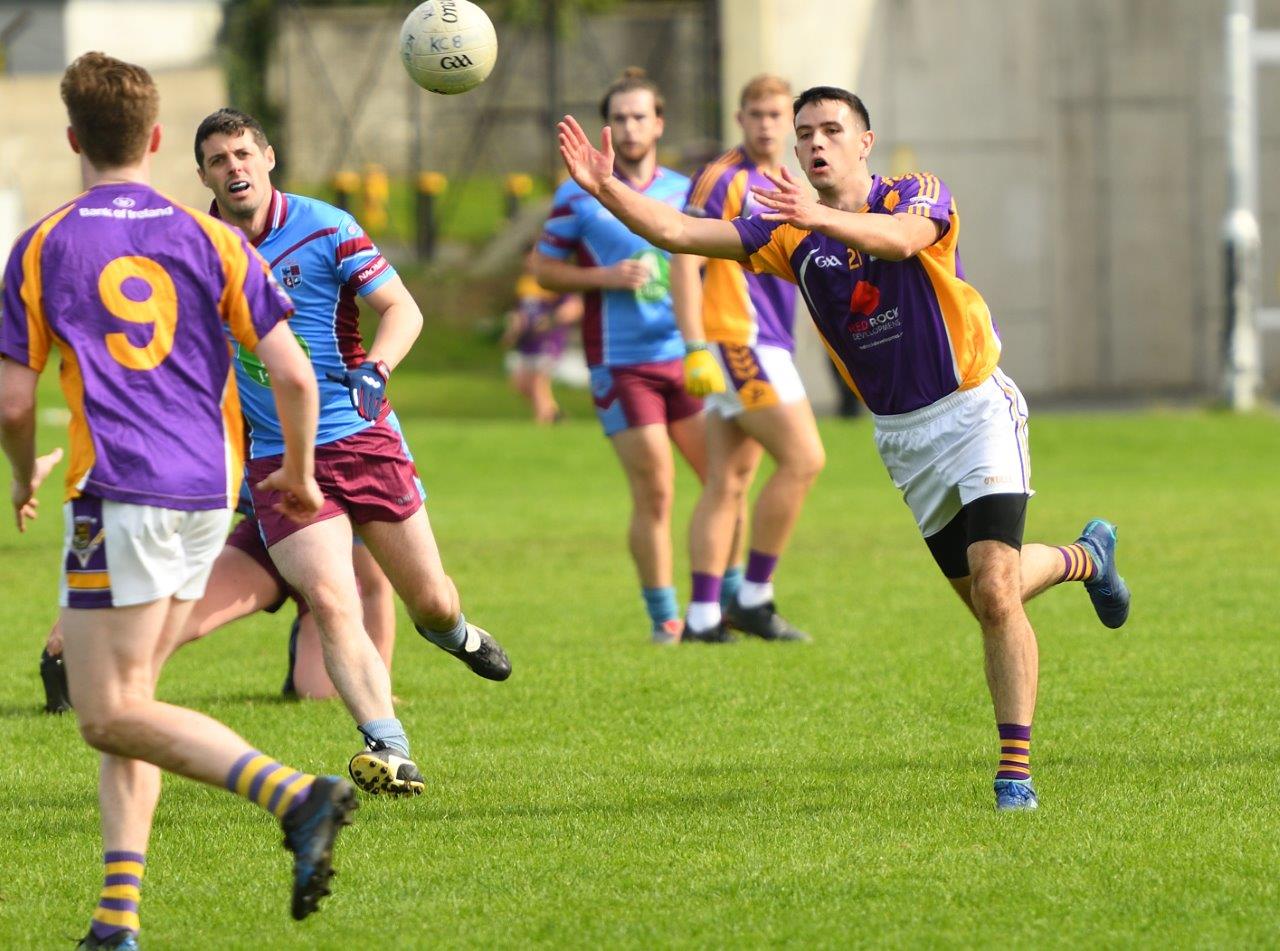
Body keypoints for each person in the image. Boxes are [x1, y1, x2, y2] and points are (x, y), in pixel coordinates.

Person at [555, 86, 1132, 811]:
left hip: (975, 407)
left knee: (994, 588)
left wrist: (818, 215)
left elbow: (900, 239)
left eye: (832, 129)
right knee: (997, 593)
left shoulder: (913, 191)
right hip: (903, 438)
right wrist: (606, 187)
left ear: (864, 141)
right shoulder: (790, 233)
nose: (816, 142)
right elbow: (678, 233)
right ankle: (1087, 557)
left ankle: (1013, 771)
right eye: (805, 134)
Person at [0, 53, 354, 948]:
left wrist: (19, 469)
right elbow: (293, 372)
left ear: (75, 138)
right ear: (158, 141)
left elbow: (10, 400)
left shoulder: (43, 243)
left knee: (105, 711)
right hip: (205, 493)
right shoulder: (218, 241)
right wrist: (304, 473)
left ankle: (294, 794)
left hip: (118, 492)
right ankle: (116, 919)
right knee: (136, 701)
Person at [194, 107, 512, 797]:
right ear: (204, 175)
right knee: (333, 597)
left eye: (243, 154)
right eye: (219, 160)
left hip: (364, 436)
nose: (234, 168)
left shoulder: (327, 226)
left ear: (269, 157)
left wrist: (379, 368)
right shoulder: (196, 249)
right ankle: (387, 744)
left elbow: (404, 309)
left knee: (428, 600)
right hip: (281, 459)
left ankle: (455, 632)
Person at [529, 68, 711, 644]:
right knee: (656, 488)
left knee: (722, 482)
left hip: (688, 355)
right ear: (607, 126)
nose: (630, 127)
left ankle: (719, 602)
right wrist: (604, 276)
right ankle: (666, 617)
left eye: (640, 116)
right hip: (620, 361)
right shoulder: (576, 193)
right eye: (620, 117)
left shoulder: (687, 192)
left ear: (658, 123)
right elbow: (542, 270)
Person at [672, 75, 825, 643]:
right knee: (805, 458)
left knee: (728, 480)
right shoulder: (722, 176)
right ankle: (755, 597)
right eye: (755, 113)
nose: (766, 124)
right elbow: (684, 254)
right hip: (737, 340)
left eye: (776, 115)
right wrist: (693, 344)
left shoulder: (789, 182)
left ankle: (704, 617)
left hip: (766, 340)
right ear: (741, 118)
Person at [39, 507, 397, 711]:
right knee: (184, 616)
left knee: (319, 692)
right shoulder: (235, 421)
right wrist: (89, 608)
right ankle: (94, 677)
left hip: (339, 570)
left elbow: (375, 590)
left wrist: (378, 679)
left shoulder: (338, 438)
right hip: (267, 540)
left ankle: (311, 626)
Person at [502, 252, 583, 424]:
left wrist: (551, 320)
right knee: (520, 383)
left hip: (549, 339)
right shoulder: (525, 282)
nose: (530, 260)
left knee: (539, 383)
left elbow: (574, 307)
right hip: (528, 340)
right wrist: (513, 331)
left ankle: (542, 423)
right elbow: (521, 312)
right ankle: (555, 416)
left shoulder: (553, 281)